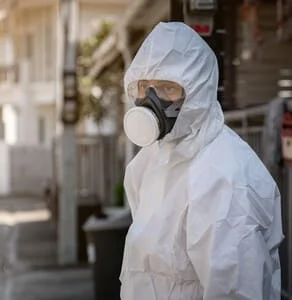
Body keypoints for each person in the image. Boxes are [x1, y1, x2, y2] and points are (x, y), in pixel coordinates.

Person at [120, 22, 283, 299]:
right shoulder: (149, 161)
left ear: (198, 92)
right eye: (144, 86)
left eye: (167, 88)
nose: (151, 100)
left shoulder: (225, 176)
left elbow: (235, 290)